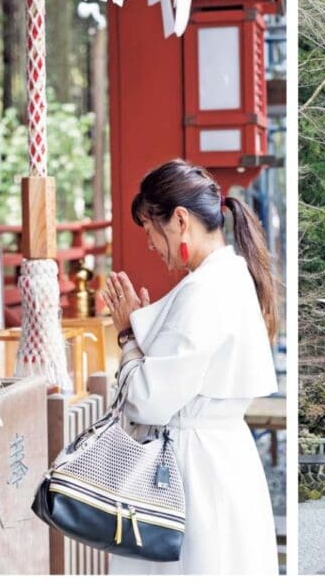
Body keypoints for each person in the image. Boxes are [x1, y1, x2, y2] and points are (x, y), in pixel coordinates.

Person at [100, 159, 279, 575]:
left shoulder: (204, 290)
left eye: (150, 229)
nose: (149, 244)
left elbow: (148, 401)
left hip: (188, 470)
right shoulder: (229, 278)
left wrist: (128, 336)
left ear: (179, 220)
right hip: (219, 457)